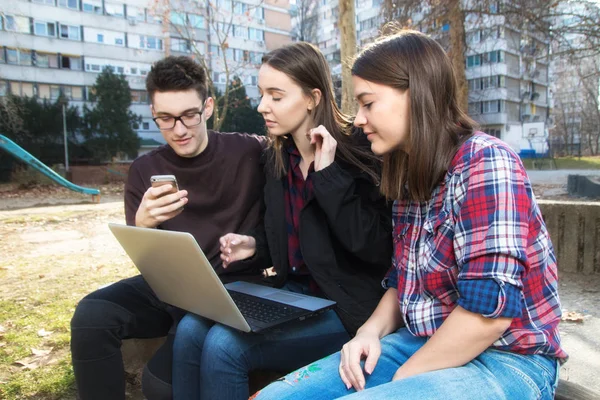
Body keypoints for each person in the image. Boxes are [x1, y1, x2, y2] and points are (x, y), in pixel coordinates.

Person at [253, 30, 568, 400]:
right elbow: (403, 276)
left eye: (368, 103)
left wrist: (405, 377)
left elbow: (487, 317)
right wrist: (368, 333)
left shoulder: (485, 163)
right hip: (418, 340)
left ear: (416, 95)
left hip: (506, 359)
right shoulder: (406, 172)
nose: (358, 120)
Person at [172, 42, 393, 400]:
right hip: (295, 296)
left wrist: (329, 177)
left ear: (312, 98)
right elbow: (288, 241)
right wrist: (254, 247)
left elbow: (376, 249)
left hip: (346, 308)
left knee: (223, 346)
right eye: (262, 94)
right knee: (191, 328)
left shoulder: (362, 150)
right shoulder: (277, 159)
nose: (262, 106)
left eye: (275, 96)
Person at [70, 56, 268, 400]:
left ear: (207, 107)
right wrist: (143, 226)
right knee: (90, 317)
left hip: (228, 290)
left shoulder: (250, 151)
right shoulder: (145, 169)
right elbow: (147, 261)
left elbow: (290, 211)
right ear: (153, 112)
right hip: (168, 288)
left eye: (188, 115)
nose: (179, 129)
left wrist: (255, 244)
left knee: (161, 385)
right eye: (165, 118)